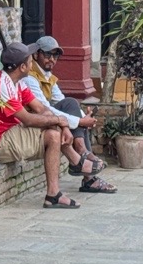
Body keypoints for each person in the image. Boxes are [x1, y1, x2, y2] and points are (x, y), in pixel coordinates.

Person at [0, 42, 98, 208]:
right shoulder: (1, 85)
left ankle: (68, 175)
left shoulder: (18, 81)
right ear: (23, 67)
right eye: (29, 60)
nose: (32, 62)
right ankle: (69, 174)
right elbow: (28, 119)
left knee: (53, 128)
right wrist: (60, 121)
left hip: (11, 132)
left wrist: (63, 125)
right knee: (53, 136)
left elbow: (41, 108)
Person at [20, 35, 116, 194]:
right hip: (33, 121)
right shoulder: (30, 78)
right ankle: (86, 164)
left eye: (55, 56)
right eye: (48, 55)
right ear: (36, 55)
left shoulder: (48, 76)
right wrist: (79, 121)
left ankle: (84, 160)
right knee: (75, 117)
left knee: (72, 106)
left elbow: (62, 101)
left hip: (46, 118)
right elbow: (44, 108)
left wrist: (82, 118)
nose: (52, 59)